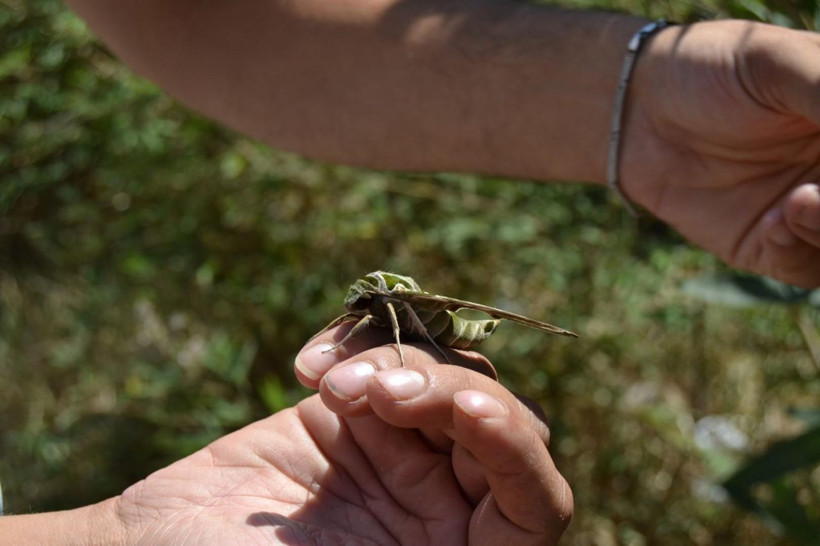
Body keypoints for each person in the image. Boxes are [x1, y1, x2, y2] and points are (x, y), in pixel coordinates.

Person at [3, 0, 819, 543]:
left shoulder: (401, 305)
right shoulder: (369, 310)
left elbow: (198, 22)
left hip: (454, 322)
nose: (363, 305)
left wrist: (640, 105)